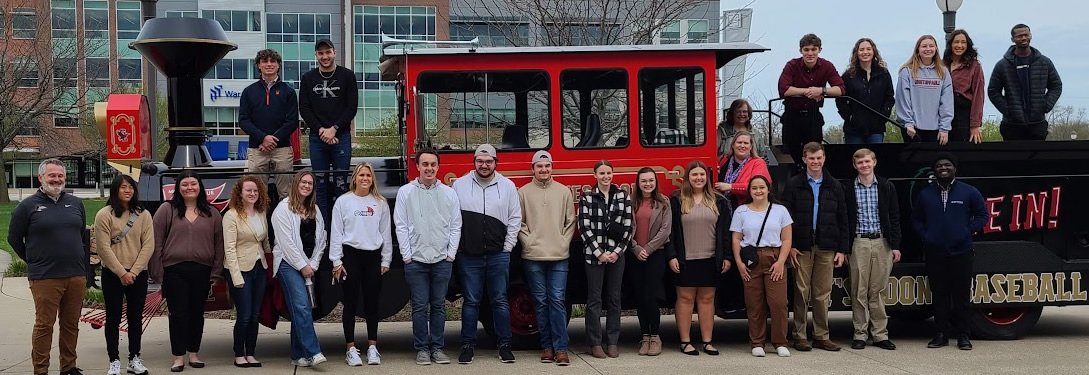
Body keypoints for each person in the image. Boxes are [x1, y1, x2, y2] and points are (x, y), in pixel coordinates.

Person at [9, 159, 90, 375]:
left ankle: (69, 367)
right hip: (45, 277)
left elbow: (81, 234)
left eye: (60, 176)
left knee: (71, 324)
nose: (57, 180)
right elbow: (14, 238)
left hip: (75, 275)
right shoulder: (27, 207)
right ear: (41, 178)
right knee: (45, 326)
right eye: (52, 176)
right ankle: (41, 369)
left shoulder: (75, 204)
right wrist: (33, 260)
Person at [452, 144, 521, 364]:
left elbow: (515, 219)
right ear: (474, 162)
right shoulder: (459, 185)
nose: (484, 165)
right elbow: (453, 219)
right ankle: (467, 346)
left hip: (498, 255)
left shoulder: (508, 186)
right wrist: (459, 247)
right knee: (471, 302)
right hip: (468, 256)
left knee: (499, 301)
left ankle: (505, 345)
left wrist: (508, 247)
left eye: (489, 161)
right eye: (480, 161)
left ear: (495, 162)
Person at [149, 170, 224, 372]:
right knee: (178, 314)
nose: (189, 188)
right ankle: (178, 356)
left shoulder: (212, 213)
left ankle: (194, 353)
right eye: (185, 184)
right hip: (174, 271)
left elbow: (219, 245)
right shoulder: (167, 210)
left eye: (193, 184)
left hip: (202, 270)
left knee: (196, 313)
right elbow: (155, 243)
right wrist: (157, 272)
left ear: (200, 187)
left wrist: (216, 273)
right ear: (178, 188)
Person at [913, 152, 987, 350]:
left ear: (955, 168)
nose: (943, 168)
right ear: (934, 170)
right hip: (935, 252)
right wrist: (926, 235)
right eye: (939, 166)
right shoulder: (925, 194)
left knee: (962, 297)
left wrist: (966, 231)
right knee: (939, 296)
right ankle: (941, 334)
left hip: (961, 251)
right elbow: (917, 219)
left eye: (947, 165)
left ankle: (964, 335)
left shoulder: (969, 191)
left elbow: (982, 215)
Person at [395, 148, 461, 366]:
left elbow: (455, 226)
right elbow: (401, 226)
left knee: (439, 306)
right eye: (425, 164)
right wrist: (407, 255)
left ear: (438, 167)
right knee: (420, 306)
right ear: (418, 166)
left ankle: (438, 348)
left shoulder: (449, 193)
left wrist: (450, 254)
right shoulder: (406, 192)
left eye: (433, 164)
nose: (429, 168)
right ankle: (422, 348)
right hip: (416, 260)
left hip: (442, 260)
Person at [781, 142, 849, 352]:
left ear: (824, 158)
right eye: (811, 158)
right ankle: (799, 335)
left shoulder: (834, 185)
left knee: (822, 293)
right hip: (801, 247)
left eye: (819, 158)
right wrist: (789, 245)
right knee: (801, 292)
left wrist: (842, 249)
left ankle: (821, 335)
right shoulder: (793, 184)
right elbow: (786, 218)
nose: (815, 162)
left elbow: (843, 218)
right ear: (804, 159)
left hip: (827, 246)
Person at [666, 161, 732, 356]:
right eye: (694, 175)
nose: (699, 178)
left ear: (707, 177)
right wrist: (672, 256)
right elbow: (670, 232)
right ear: (688, 178)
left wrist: (726, 257)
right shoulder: (677, 200)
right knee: (685, 299)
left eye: (702, 175)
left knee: (707, 299)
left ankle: (707, 341)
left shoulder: (719, 201)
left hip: (711, 258)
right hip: (685, 259)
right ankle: (685, 342)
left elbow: (726, 232)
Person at [329, 163, 392, 366]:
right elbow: (336, 233)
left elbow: (386, 233)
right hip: (350, 256)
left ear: (372, 179)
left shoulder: (380, 203)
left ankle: (372, 347)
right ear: (354, 178)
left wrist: (386, 259)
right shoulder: (343, 201)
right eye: (361, 175)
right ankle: (351, 348)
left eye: (368, 175)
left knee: (372, 303)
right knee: (350, 303)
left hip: (373, 256)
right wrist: (336, 261)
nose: (365, 178)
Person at [517, 151, 576, 366]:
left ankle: (561, 348)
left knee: (557, 301)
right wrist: (528, 242)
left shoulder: (563, 192)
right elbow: (519, 222)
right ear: (533, 169)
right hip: (533, 255)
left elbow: (571, 221)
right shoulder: (523, 193)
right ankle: (547, 347)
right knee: (540, 303)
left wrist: (563, 242)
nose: (544, 170)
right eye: (539, 166)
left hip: (559, 255)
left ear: (552, 167)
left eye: (547, 166)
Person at [94, 175, 153, 375]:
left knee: (136, 318)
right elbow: (103, 248)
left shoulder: (143, 214)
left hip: (138, 274)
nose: (127, 191)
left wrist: (134, 271)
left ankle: (134, 358)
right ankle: (114, 360)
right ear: (115, 190)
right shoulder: (104, 214)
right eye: (123, 187)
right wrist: (121, 272)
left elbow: (148, 245)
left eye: (131, 187)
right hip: (113, 274)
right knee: (113, 318)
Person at [844, 149, 901, 351]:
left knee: (878, 291)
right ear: (855, 165)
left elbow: (895, 217)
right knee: (858, 290)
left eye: (867, 162)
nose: (864, 166)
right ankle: (860, 334)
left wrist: (895, 245)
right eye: (860, 163)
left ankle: (880, 335)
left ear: (874, 162)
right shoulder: (849, 188)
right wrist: (844, 247)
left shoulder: (886, 186)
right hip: (858, 243)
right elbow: (844, 220)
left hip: (882, 242)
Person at [731, 175, 792, 358]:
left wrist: (781, 261)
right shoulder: (741, 211)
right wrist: (739, 264)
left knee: (778, 303)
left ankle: (780, 342)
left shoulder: (780, 211)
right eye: (754, 188)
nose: (758, 191)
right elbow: (736, 238)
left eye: (762, 187)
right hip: (751, 259)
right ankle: (757, 342)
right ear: (749, 191)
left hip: (775, 257)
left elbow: (787, 238)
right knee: (754, 303)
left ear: (768, 189)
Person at [271, 171, 328, 367]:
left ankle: (297, 355)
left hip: (309, 265)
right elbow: (286, 243)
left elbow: (322, 239)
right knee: (302, 306)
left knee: (301, 308)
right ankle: (313, 351)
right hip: (288, 264)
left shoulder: (315, 210)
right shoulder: (283, 209)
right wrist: (302, 265)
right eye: (303, 182)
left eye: (310, 183)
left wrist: (313, 264)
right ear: (296, 184)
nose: (306, 185)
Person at [578, 159, 633, 359]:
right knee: (594, 299)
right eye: (601, 173)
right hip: (594, 257)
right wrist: (599, 252)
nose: (605, 176)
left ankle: (612, 342)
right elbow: (583, 228)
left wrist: (617, 252)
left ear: (613, 174)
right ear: (595, 175)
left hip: (617, 256)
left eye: (608, 173)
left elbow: (628, 228)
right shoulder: (587, 197)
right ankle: (594, 343)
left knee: (614, 298)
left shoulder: (623, 197)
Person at [299, 38, 359, 221]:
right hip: (318, 139)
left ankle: (342, 228)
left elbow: (352, 107)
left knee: (341, 183)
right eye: (320, 53)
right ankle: (323, 230)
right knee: (320, 185)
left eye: (328, 52)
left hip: (341, 136)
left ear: (334, 53)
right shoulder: (308, 78)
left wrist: (334, 128)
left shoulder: (347, 76)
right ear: (316, 55)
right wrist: (321, 131)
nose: (324, 56)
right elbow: (304, 108)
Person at [222, 175, 272, 367]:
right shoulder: (231, 215)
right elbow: (229, 249)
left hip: (259, 268)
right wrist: (236, 277)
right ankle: (239, 354)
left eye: (255, 191)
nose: (252, 193)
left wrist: (270, 263)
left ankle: (251, 352)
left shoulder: (261, 213)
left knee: (255, 315)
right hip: (240, 269)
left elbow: (265, 242)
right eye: (248, 190)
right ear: (240, 193)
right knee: (244, 315)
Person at [238, 49, 299, 199]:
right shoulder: (248, 92)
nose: (269, 64)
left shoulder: (288, 92)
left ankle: (286, 222)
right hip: (257, 149)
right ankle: (258, 222)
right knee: (254, 194)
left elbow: (292, 121)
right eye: (265, 61)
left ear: (278, 65)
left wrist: (273, 139)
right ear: (258, 65)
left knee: (286, 193)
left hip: (282, 149)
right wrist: (263, 138)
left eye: (273, 61)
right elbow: (243, 120)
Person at [987, 24, 1063, 141]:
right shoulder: (1002, 65)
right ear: (1013, 39)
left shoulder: (1044, 62)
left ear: (1030, 36)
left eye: (1026, 35)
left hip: (1038, 124)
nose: (1023, 38)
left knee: (1039, 158)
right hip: (1012, 126)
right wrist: (1008, 110)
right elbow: (993, 91)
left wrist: (1046, 105)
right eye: (1019, 36)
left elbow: (1056, 86)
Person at [777, 33, 845, 163]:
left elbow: (840, 89)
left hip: (813, 116)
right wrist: (808, 91)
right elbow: (783, 89)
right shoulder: (792, 65)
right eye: (806, 50)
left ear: (820, 50)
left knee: (815, 154)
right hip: (792, 117)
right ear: (800, 51)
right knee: (791, 155)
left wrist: (821, 90)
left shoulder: (827, 66)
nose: (810, 53)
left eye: (814, 49)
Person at [626, 167, 671, 357]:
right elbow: (625, 228)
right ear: (638, 183)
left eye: (651, 180)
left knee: (651, 296)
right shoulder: (630, 202)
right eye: (643, 181)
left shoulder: (664, 202)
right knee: (640, 297)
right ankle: (644, 336)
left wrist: (648, 249)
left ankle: (655, 337)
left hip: (655, 255)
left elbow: (665, 231)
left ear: (655, 182)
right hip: (635, 255)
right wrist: (636, 248)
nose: (647, 184)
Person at [896, 35, 954, 145]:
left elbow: (947, 102)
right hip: (912, 129)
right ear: (918, 50)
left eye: (931, 46)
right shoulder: (907, 71)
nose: (928, 49)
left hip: (936, 130)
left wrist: (944, 128)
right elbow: (903, 99)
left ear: (936, 49)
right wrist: (908, 123)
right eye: (924, 46)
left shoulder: (943, 72)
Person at [836, 38, 895, 144]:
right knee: (856, 157)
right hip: (854, 130)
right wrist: (849, 117)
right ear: (856, 53)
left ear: (874, 51)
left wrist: (884, 115)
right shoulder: (848, 76)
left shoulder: (883, 74)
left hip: (876, 128)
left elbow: (889, 97)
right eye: (862, 49)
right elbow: (841, 99)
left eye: (868, 49)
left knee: (874, 158)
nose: (865, 52)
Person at [943, 30, 986, 144]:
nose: (959, 46)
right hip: (943, 117)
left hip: (963, 117)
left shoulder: (974, 66)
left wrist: (975, 125)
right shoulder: (942, 65)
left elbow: (978, 96)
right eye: (956, 42)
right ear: (950, 44)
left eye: (963, 42)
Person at [715, 130, 771, 207]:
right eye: (739, 142)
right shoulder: (723, 160)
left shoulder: (758, 163)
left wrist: (730, 187)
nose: (742, 145)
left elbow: (760, 187)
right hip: (721, 208)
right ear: (733, 145)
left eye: (746, 143)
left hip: (747, 208)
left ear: (751, 147)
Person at [717, 99, 768, 164]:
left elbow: (763, 157)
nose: (742, 114)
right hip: (726, 170)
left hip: (751, 170)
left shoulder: (756, 134)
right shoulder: (721, 131)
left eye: (744, 112)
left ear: (749, 114)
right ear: (732, 113)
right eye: (738, 111)